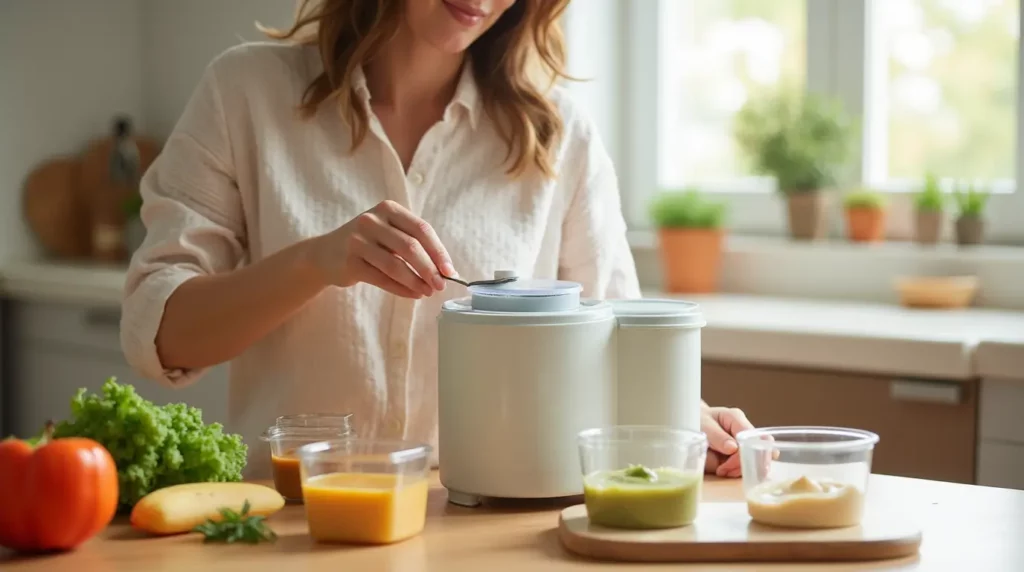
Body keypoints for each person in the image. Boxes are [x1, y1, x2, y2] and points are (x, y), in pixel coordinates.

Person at [120, 0, 754, 480]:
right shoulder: (245, 93)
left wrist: (691, 425)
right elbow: (160, 332)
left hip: (482, 538)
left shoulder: (561, 136)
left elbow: (618, 345)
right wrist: (316, 260)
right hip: (293, 529)